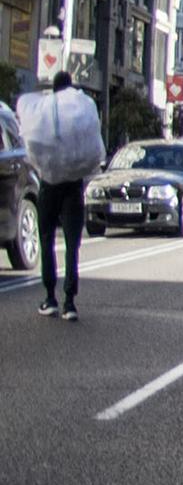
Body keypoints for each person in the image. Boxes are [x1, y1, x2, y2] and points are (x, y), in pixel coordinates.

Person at [28, 71, 100, 322]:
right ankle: (70, 302)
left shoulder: (47, 108)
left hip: (50, 182)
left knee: (47, 238)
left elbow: (33, 143)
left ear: (54, 88)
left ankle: (50, 297)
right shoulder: (81, 107)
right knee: (72, 244)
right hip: (73, 185)